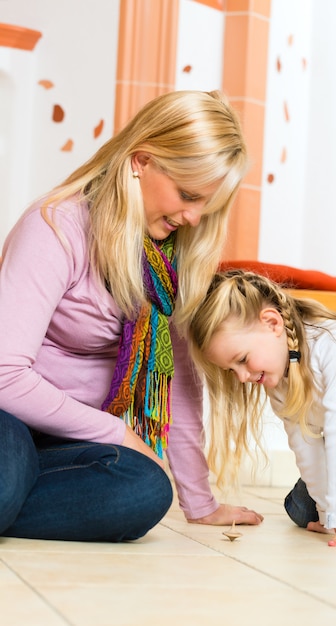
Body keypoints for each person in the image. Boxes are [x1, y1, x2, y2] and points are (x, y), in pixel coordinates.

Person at [0, 90, 263, 542]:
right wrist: (117, 431)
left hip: (72, 435)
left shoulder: (170, 264)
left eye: (208, 205)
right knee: (8, 475)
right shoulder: (56, 226)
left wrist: (199, 503)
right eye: (187, 195)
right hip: (10, 414)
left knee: (144, 490)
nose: (195, 217)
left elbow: (176, 385)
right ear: (141, 160)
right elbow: (4, 374)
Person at [187, 269, 336, 547]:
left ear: (272, 323)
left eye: (243, 360)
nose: (242, 376)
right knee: (303, 511)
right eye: (231, 369)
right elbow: (305, 444)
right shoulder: (277, 379)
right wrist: (325, 510)